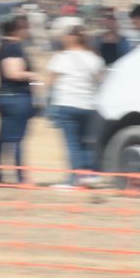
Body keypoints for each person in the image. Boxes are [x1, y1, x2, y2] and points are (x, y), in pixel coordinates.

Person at [45, 28, 105, 189]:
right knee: (87, 142)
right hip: (89, 105)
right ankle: (91, 175)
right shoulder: (94, 58)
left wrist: (46, 102)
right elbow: (101, 80)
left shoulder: (61, 57)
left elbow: (50, 82)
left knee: (72, 143)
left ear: (70, 39)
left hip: (67, 103)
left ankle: (74, 178)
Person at [0, 14, 37, 185]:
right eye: (26, 28)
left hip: (6, 96)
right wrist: (33, 76)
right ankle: (20, 177)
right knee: (16, 139)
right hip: (16, 98)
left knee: (3, 137)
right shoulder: (13, 47)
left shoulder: (3, 46)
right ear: (18, 30)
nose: (28, 31)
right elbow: (12, 73)